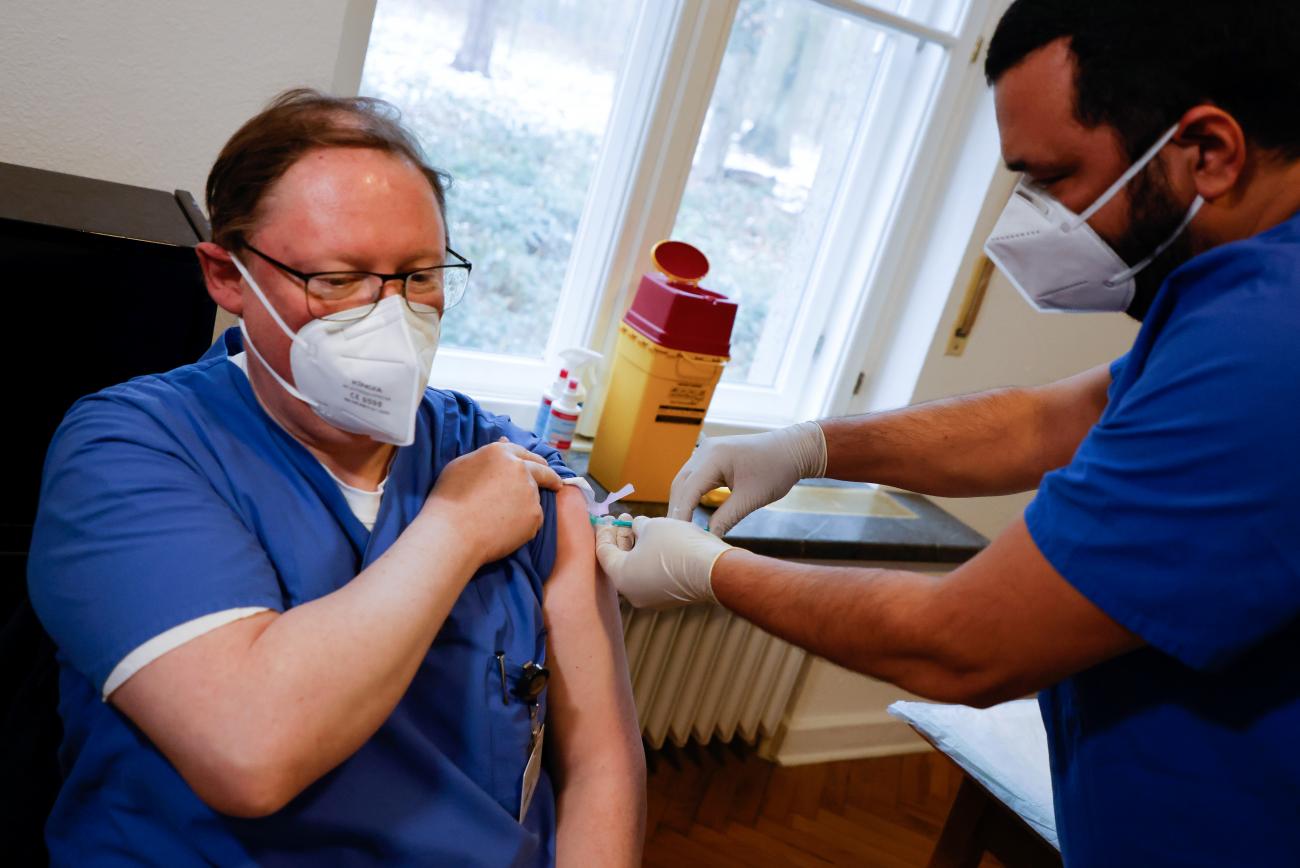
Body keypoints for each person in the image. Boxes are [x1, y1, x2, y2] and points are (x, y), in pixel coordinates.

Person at [596, 2, 1300, 865]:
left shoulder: (1268, 343)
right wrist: (807, 446)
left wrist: (710, 570)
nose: (1032, 217)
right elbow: (1054, 419)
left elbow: (959, 645)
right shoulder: (1238, 294)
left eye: (1055, 178)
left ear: (1210, 153)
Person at [27, 89, 644, 866]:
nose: (389, 318)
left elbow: (601, 764)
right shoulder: (130, 450)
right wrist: (452, 530)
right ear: (226, 275)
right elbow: (250, 755)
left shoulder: (502, 458)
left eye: (420, 276)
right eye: (337, 279)